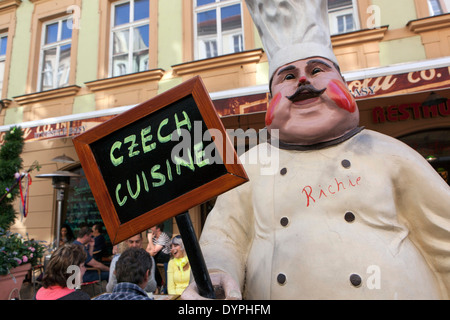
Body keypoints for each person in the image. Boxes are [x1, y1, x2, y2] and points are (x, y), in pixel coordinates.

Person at [182, 0, 450, 300]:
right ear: (271, 99)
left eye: (317, 69)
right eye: (288, 76)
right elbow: (223, 238)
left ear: (344, 85)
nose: (304, 81)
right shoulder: (251, 166)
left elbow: (445, 242)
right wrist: (218, 275)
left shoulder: (388, 153)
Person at [146, 223, 171, 292]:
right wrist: (151, 240)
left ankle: (157, 286)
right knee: (150, 259)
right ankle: (155, 285)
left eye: (153, 227)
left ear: (158, 229)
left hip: (165, 258)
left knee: (152, 259)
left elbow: (153, 251)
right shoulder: (154, 237)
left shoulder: (163, 236)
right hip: (157, 258)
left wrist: (149, 239)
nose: (151, 228)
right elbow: (147, 251)